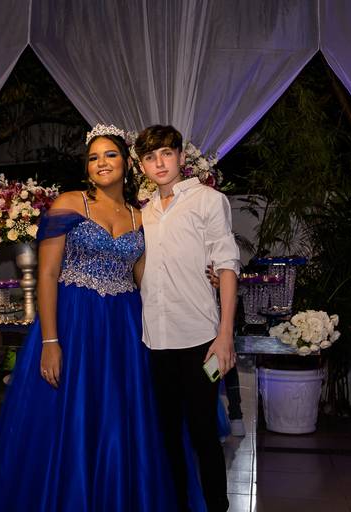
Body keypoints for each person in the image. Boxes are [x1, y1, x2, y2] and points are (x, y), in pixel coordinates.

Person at [0, 125, 184, 511]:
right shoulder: (70, 204)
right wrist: (50, 341)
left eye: (110, 155)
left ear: (127, 163)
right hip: (74, 322)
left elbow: (146, 279)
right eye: (93, 157)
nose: (101, 163)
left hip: (124, 326)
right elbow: (47, 274)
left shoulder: (141, 217)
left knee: (120, 418)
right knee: (69, 417)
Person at [136, 124, 240, 512]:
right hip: (155, 342)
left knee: (203, 434)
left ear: (181, 156)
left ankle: (216, 507)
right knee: (167, 437)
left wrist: (225, 334)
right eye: (150, 157)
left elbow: (227, 266)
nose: (160, 163)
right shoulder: (142, 213)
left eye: (166, 153)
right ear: (142, 166)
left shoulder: (208, 201)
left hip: (201, 341)